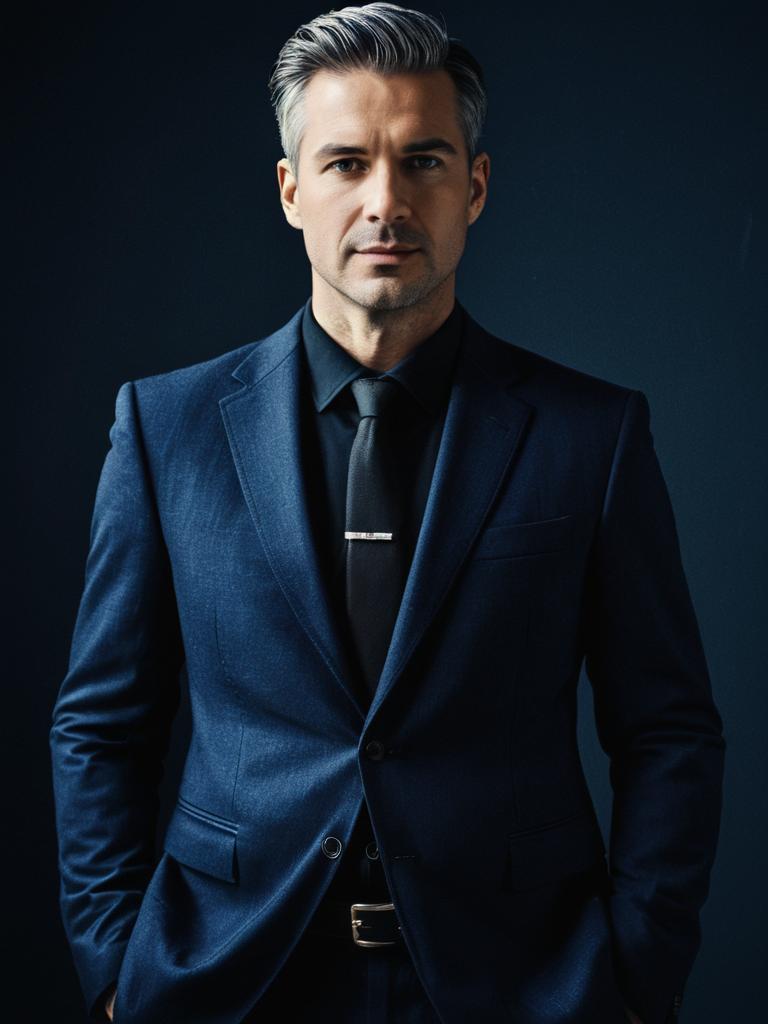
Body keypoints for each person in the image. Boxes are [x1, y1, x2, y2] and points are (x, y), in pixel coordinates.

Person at [49, 4, 725, 1023]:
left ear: (476, 188)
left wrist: (636, 973)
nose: (385, 201)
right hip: (229, 977)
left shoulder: (594, 436)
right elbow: (102, 724)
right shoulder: (167, 427)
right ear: (289, 190)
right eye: (346, 162)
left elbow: (668, 729)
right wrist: (114, 966)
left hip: (523, 983)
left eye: (423, 161)